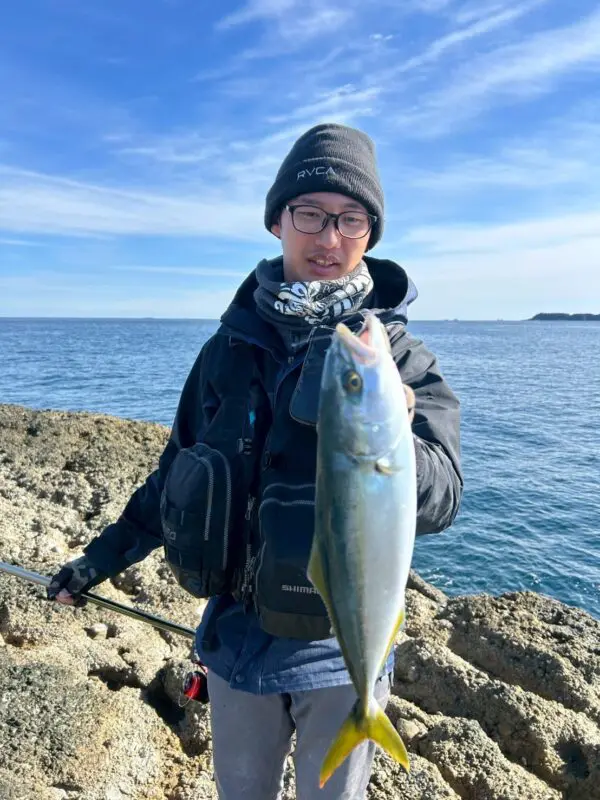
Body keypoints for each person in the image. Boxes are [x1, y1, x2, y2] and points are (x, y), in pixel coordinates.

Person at [47, 123, 463, 799]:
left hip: (337, 653)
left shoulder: (398, 359)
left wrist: (391, 435)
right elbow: (175, 475)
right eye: (310, 214)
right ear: (277, 222)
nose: (329, 237)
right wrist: (98, 560)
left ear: (370, 234)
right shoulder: (227, 351)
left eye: (351, 219)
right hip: (234, 645)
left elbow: (443, 498)